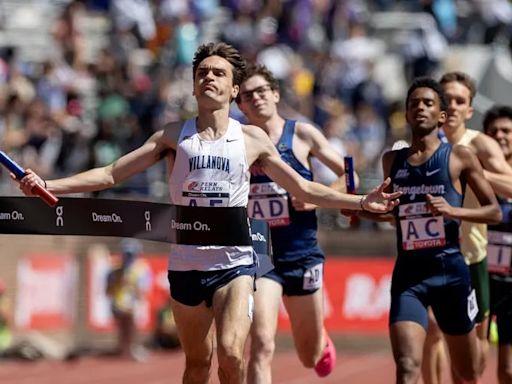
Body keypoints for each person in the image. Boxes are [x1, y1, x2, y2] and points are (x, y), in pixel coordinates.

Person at [16, 42, 400, 384]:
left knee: (233, 356)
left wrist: (362, 201)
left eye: (219, 73)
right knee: (198, 365)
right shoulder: (172, 136)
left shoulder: (251, 139)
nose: (209, 78)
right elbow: (111, 173)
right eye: (202, 73)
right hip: (186, 266)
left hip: (235, 263)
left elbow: (302, 188)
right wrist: (49, 185)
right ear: (194, 84)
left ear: (234, 89)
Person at [345, 77, 501, 383]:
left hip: (452, 274)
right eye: (414, 103)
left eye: (428, 103)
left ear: (441, 116)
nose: (420, 108)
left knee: (468, 372)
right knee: (406, 366)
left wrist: (452, 210)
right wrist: (362, 211)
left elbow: (494, 211)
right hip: (410, 276)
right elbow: (396, 216)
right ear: (405, 113)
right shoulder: (393, 160)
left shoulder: (459, 157)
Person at [236, 63, 351, 381]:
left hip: (301, 254)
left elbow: (349, 173)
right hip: (260, 258)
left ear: (275, 94)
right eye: (247, 95)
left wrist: (319, 194)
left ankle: (321, 341)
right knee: (261, 343)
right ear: (240, 105)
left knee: (309, 355)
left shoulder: (301, 133)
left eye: (262, 91)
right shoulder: (236, 142)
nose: (256, 98)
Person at [421, 72, 512, 383]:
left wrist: (474, 170)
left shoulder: (480, 144)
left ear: (470, 110)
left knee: (472, 357)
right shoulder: (422, 142)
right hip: (430, 256)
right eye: (448, 98)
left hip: (472, 258)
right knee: (432, 330)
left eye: (461, 101)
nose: (454, 106)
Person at [482, 105, 512, 383]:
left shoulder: (478, 173)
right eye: (494, 132)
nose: (500, 136)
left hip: (511, 281)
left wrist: (481, 174)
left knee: (508, 369)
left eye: (507, 131)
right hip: (481, 275)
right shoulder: (472, 175)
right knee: (473, 361)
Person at [106, 238, 151, 361]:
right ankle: (124, 348)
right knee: (123, 326)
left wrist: (133, 286)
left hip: (134, 303)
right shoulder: (115, 270)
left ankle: (133, 347)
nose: (128, 257)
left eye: (130, 254)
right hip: (119, 303)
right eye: (126, 253)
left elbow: (143, 291)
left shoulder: (141, 269)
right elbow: (108, 290)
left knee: (133, 325)